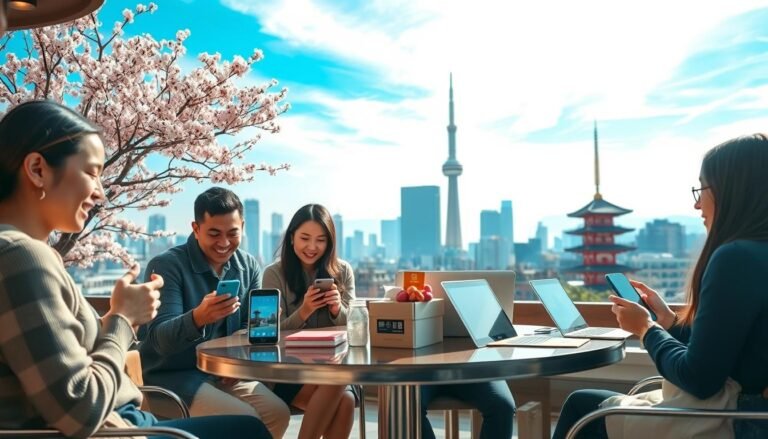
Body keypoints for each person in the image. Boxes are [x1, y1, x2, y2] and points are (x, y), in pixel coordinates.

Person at [0, 100, 270, 439]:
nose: (99, 193)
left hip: (129, 420)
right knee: (248, 431)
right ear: (38, 169)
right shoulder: (20, 257)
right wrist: (122, 320)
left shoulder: (32, 255)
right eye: (92, 173)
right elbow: (79, 408)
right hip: (118, 430)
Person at [553, 133, 768, 439]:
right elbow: (736, 350)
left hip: (737, 421)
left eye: (702, 189)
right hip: (751, 412)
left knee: (584, 410)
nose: (696, 204)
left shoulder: (736, 258)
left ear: (731, 190)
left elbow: (699, 379)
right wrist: (668, 322)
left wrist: (646, 330)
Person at [139, 187, 291, 438]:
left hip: (223, 373)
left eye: (233, 233)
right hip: (171, 375)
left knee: (278, 413)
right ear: (196, 229)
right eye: (214, 233)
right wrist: (199, 317)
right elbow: (159, 341)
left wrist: (242, 362)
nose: (224, 243)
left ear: (242, 226)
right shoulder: (167, 265)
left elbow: (246, 331)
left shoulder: (247, 265)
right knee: (244, 422)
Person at [262, 204, 356, 439]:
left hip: (333, 369)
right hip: (290, 372)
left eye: (321, 240)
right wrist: (303, 311)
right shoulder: (274, 274)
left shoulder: (342, 271)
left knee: (344, 396)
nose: (312, 247)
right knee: (342, 392)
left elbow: (356, 327)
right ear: (292, 237)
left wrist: (337, 309)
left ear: (330, 243)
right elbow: (268, 333)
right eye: (305, 238)